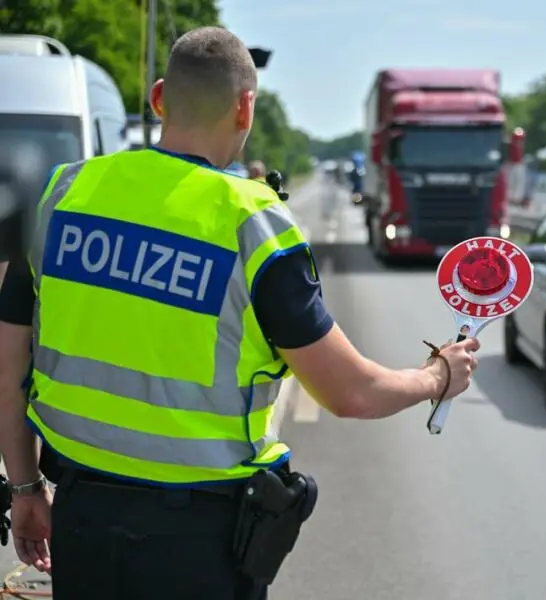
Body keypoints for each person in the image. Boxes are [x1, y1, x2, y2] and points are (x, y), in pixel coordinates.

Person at [0, 26, 478, 600]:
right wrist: (437, 376)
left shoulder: (64, 194)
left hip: (81, 520)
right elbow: (350, 393)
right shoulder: (255, 225)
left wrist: (25, 488)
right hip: (199, 542)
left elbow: (6, 371)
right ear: (245, 105)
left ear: (158, 98)